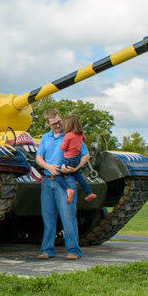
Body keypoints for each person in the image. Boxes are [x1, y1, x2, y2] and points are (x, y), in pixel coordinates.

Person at [35, 109, 89, 260]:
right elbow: (39, 158)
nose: (58, 125)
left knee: (68, 217)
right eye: (54, 123)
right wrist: (48, 167)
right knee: (48, 218)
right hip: (47, 180)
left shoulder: (71, 135)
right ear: (48, 123)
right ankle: (47, 250)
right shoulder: (45, 138)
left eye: (60, 122)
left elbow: (85, 154)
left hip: (66, 180)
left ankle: (73, 251)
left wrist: (77, 168)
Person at [55, 114, 98, 204]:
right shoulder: (80, 135)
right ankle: (89, 193)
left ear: (68, 125)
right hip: (77, 159)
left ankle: (67, 190)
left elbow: (63, 147)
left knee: (57, 174)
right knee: (78, 176)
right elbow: (84, 139)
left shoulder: (69, 135)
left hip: (68, 159)